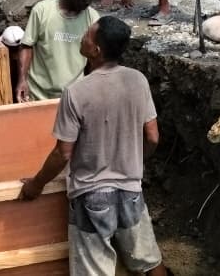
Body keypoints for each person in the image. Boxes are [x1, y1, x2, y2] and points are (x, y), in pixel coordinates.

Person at [19, 17, 171, 276]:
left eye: (87, 36)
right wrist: (134, 161)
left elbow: (62, 153)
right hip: (131, 191)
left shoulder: (76, 92)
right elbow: (153, 137)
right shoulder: (138, 80)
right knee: (148, 259)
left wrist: (36, 184)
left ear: (96, 50)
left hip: (92, 197)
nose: (82, 37)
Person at [16, 0, 103, 102]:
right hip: (38, 96)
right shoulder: (42, 10)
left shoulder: (93, 18)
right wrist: (22, 79)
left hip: (73, 98)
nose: (87, 1)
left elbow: (94, 59)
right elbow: (27, 46)